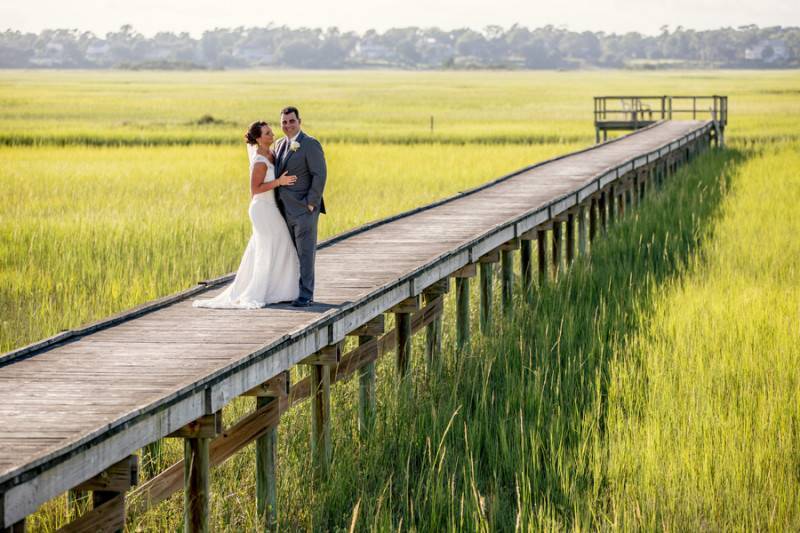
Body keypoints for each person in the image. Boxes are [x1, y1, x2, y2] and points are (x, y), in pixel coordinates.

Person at [193, 121, 300, 309]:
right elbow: (255, 189)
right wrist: (279, 182)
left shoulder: (272, 153)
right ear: (258, 138)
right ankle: (261, 291)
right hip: (261, 208)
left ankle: (281, 291)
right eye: (267, 133)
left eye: (271, 131)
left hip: (271, 207)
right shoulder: (259, 160)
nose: (272, 134)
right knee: (269, 248)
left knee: (280, 246)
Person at [273, 106, 327, 307]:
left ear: (299, 121)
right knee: (289, 253)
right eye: (284, 122)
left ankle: (306, 294)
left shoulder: (310, 144)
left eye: (291, 121)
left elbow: (319, 174)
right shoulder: (279, 145)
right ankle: (292, 291)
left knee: (305, 253)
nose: (288, 125)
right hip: (283, 210)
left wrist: (311, 203)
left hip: (304, 209)